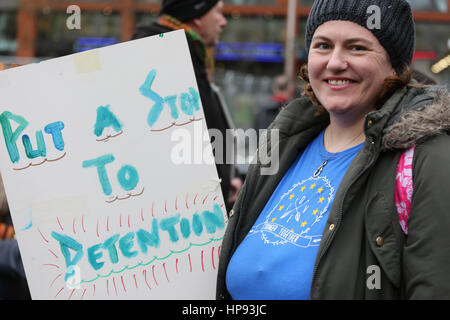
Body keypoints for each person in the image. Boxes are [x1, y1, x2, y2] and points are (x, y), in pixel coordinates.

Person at [217, 0, 450, 300]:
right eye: (323, 45)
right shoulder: (286, 143)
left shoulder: (428, 159)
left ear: (395, 65)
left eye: (357, 48)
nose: (335, 62)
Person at [132, 0, 241, 212]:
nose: (223, 21)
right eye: (217, 12)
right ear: (197, 15)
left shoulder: (189, 55)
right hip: (181, 216)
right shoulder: (161, 58)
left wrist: (227, 181)